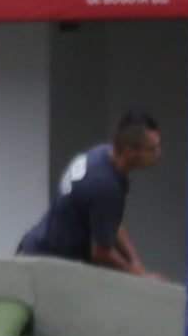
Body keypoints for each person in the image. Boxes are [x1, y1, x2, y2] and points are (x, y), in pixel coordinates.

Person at [16, 113, 165, 275]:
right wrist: (140, 275)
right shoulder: (105, 185)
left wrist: (135, 262)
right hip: (42, 266)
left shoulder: (101, 154)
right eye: (152, 148)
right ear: (129, 151)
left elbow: (109, 222)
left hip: (38, 252)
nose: (159, 153)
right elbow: (101, 253)